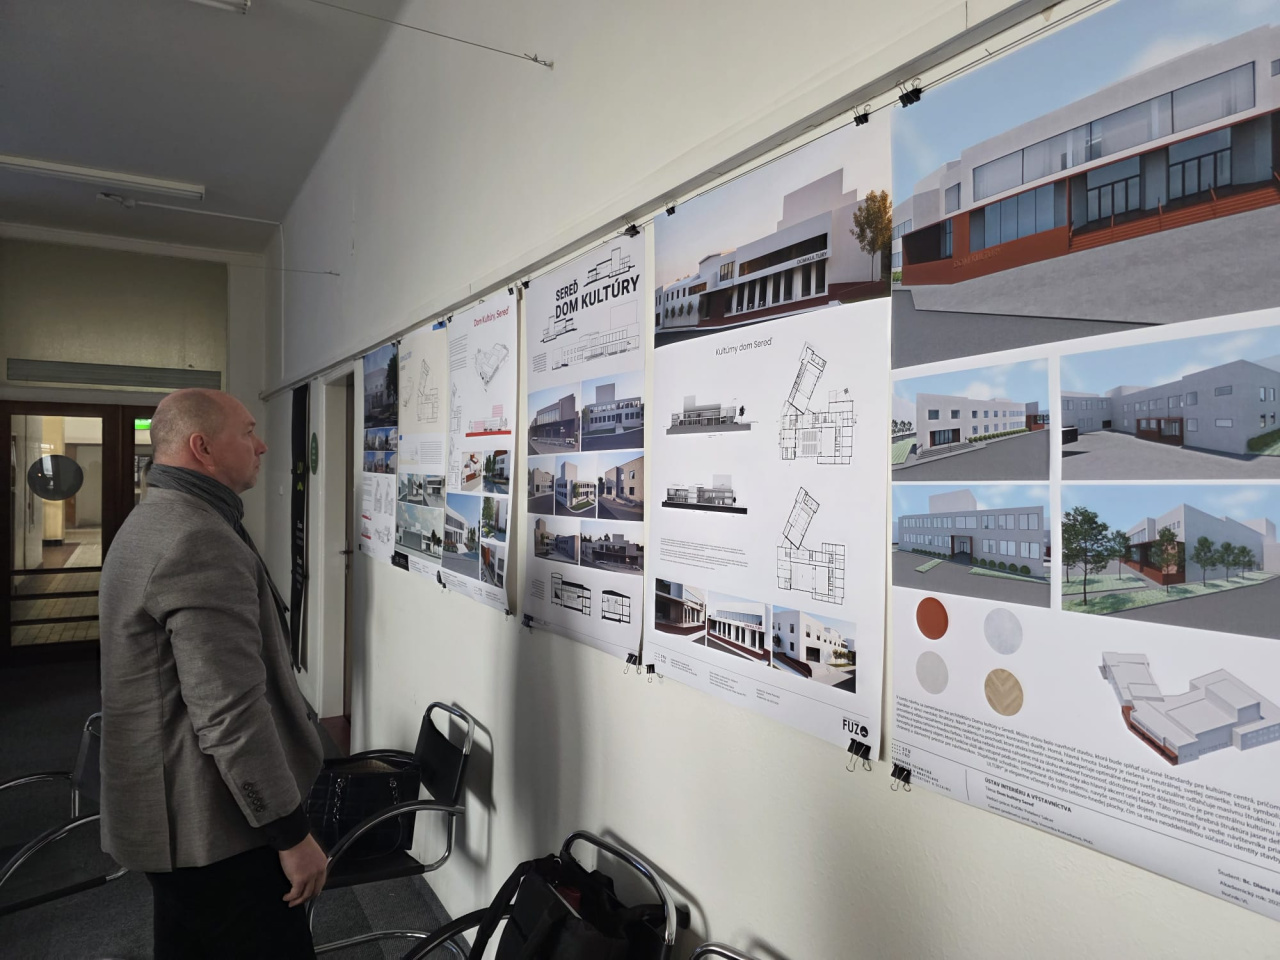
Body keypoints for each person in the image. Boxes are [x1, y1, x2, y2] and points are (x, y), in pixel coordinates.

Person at [99, 388, 326, 959]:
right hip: (215, 825)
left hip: (171, 811)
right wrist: (290, 833)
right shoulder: (197, 537)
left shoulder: (156, 517)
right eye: (248, 432)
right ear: (202, 447)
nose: (262, 445)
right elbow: (229, 712)